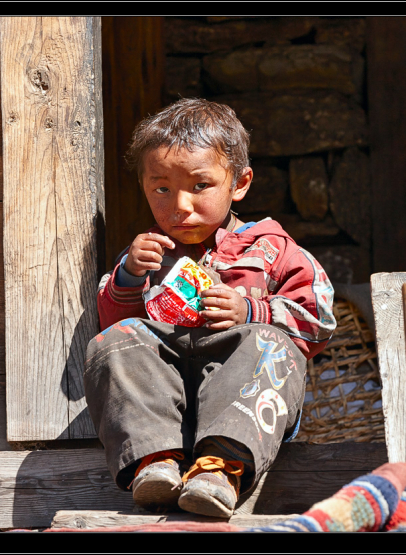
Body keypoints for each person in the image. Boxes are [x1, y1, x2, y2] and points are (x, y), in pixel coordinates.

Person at [83, 98, 336, 519]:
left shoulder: (273, 250)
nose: (180, 205)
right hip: (166, 404)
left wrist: (252, 313)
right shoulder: (147, 254)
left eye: (200, 186)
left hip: (242, 405)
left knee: (273, 346)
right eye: (161, 188)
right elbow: (114, 327)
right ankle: (155, 462)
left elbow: (320, 322)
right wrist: (127, 278)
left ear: (239, 184)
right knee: (115, 343)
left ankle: (219, 470)